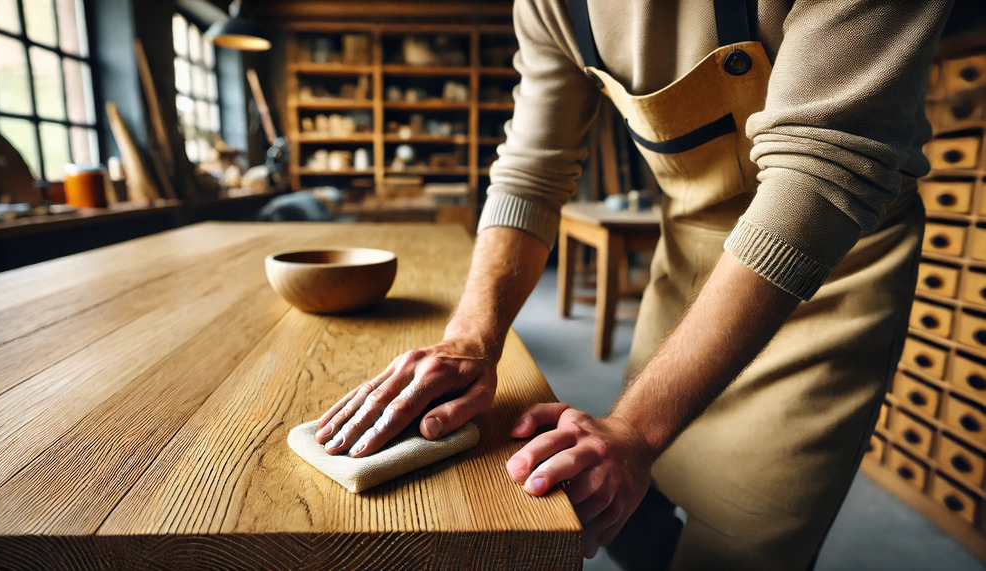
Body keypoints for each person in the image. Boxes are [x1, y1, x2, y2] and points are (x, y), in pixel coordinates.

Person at [315, 1, 954, 568]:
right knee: (627, 499)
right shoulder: (551, 7)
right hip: (691, 258)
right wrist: (471, 339)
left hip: (827, 267)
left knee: (747, 537)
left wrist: (636, 432)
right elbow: (530, 174)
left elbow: (818, 175)